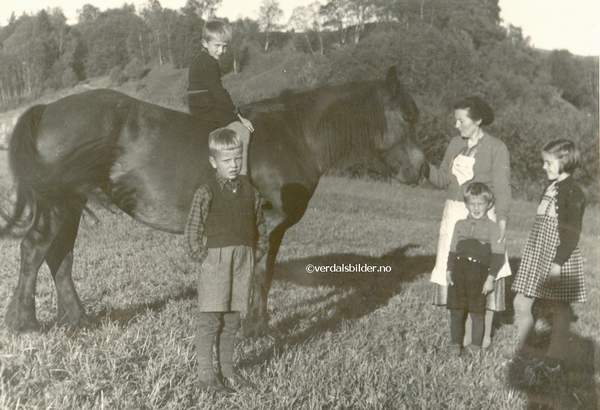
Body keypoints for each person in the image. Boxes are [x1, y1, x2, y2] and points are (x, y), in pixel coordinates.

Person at [421, 96, 512, 348]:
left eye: (461, 120)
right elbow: (442, 179)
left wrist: (501, 219)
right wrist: (422, 166)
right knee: (457, 273)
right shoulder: (454, 144)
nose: (456, 125)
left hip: (483, 217)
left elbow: (502, 188)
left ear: (478, 120)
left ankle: (482, 337)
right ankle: (458, 336)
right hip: (454, 215)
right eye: (456, 120)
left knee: (484, 273)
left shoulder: (497, 147)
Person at [184, 127, 267, 393]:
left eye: (238, 159)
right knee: (210, 319)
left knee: (232, 320)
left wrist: (256, 252)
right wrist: (204, 258)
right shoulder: (206, 191)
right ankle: (207, 376)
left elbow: (260, 226)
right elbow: (192, 231)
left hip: (243, 261)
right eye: (227, 160)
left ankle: (229, 370)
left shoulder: (251, 191)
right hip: (216, 262)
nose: (233, 165)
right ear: (213, 162)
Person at [511, 139, 586, 365]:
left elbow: (571, 235)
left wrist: (557, 264)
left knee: (558, 309)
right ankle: (525, 350)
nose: (544, 167)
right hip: (538, 254)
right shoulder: (551, 187)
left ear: (565, 161)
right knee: (521, 302)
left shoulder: (573, 192)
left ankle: (555, 357)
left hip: (558, 258)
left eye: (548, 162)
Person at [187, 20, 254, 175]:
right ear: (205, 43)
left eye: (224, 46)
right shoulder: (209, 63)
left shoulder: (200, 59)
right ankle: (241, 177)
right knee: (242, 131)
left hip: (199, 105)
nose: (221, 51)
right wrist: (238, 116)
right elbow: (219, 92)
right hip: (206, 108)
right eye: (217, 46)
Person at [446, 182, 505, 355]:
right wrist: (449, 270)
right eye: (472, 203)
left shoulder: (493, 227)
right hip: (458, 272)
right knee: (456, 310)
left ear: (489, 205)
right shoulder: (459, 224)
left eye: (480, 204)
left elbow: (498, 255)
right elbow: (452, 249)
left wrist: (490, 278)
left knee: (477, 312)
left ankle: (475, 348)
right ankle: (455, 345)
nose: (476, 208)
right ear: (466, 204)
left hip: (478, 275)